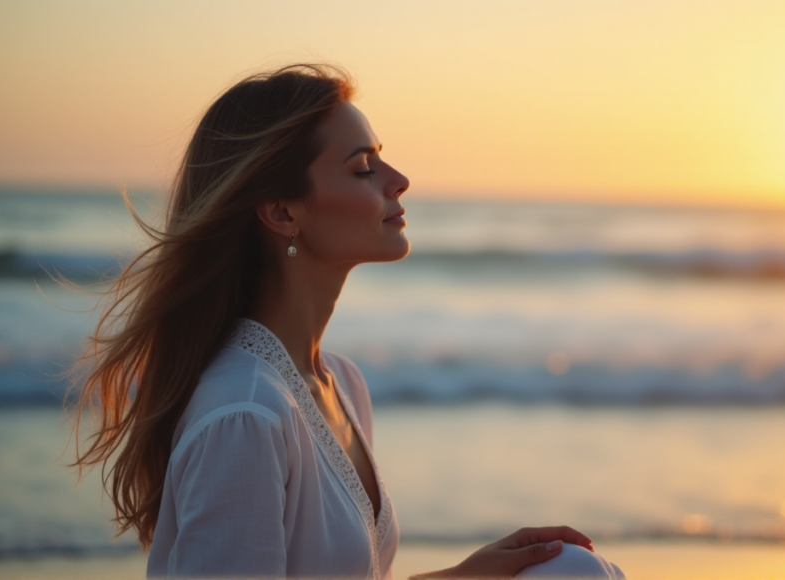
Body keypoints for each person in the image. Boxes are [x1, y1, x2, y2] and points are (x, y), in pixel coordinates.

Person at [71, 64, 621, 579]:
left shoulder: (340, 384)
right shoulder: (245, 415)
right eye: (363, 167)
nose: (399, 179)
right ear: (283, 212)